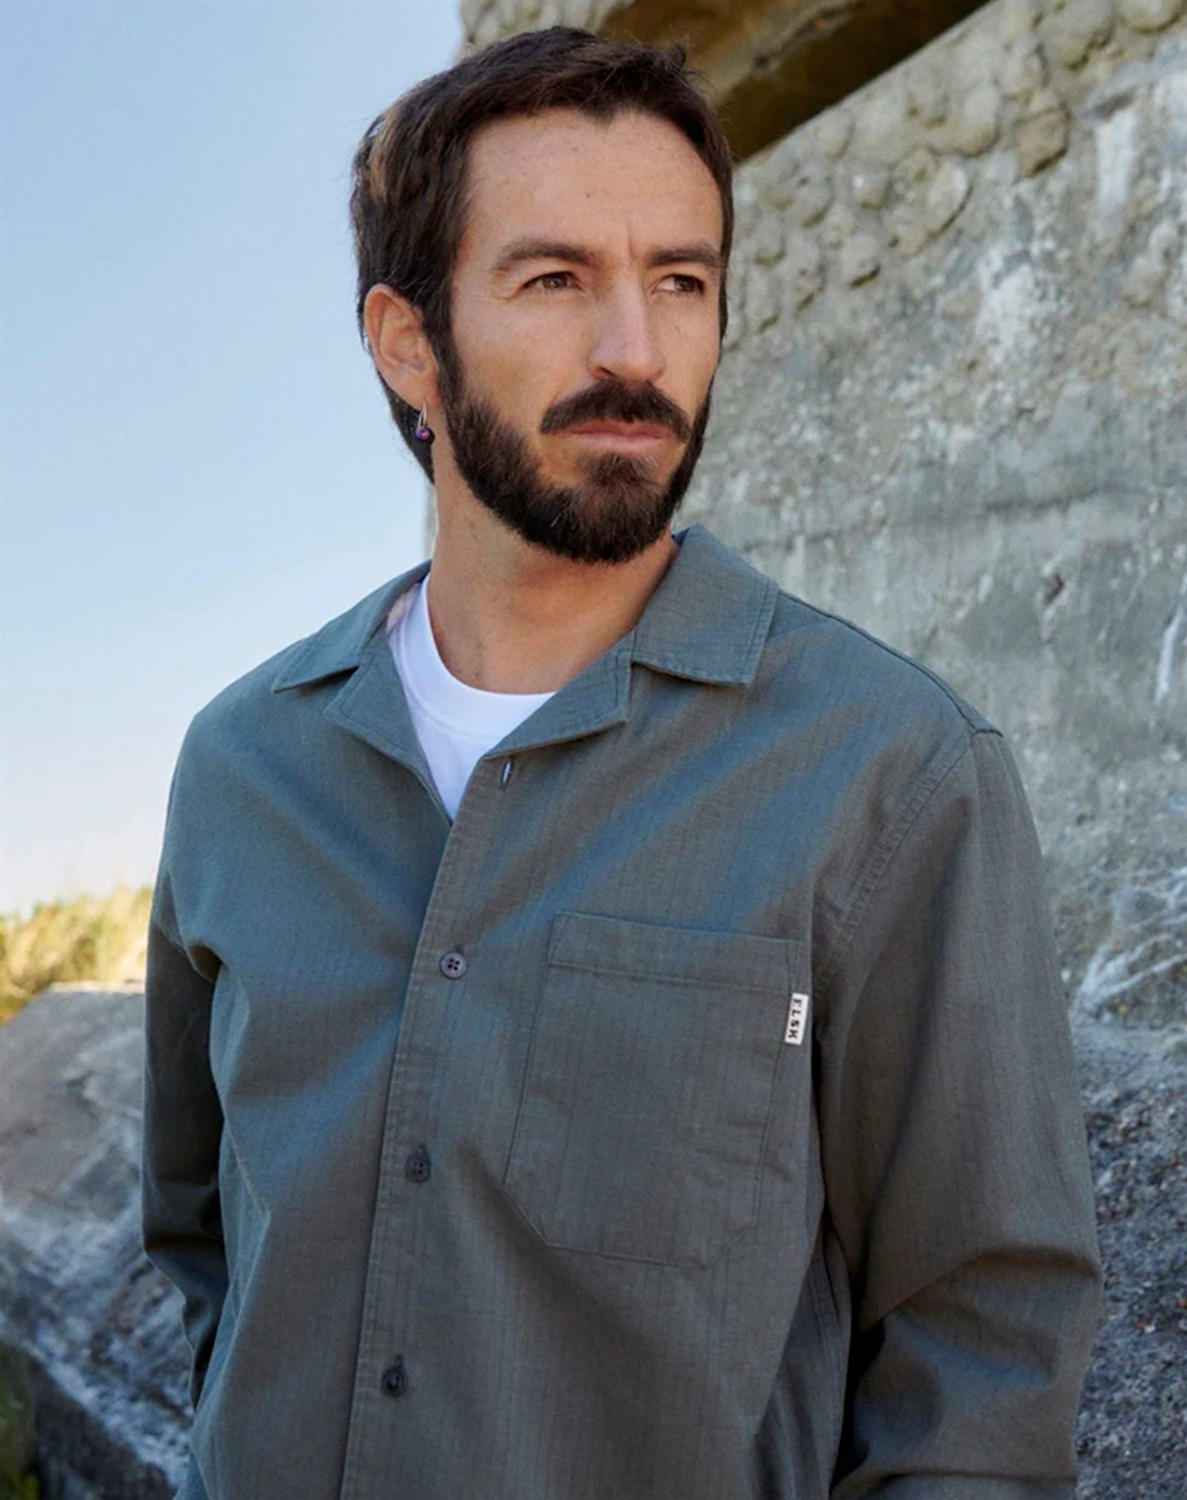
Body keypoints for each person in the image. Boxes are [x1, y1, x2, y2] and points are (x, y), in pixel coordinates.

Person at [142, 27, 1101, 1500]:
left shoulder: (892, 772)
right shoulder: (239, 769)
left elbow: (986, 1352)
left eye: (681, 282)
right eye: (554, 278)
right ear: (406, 342)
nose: (636, 354)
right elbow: (203, 1239)